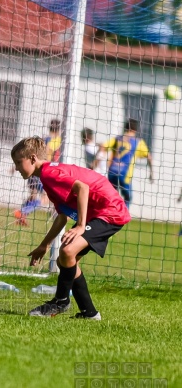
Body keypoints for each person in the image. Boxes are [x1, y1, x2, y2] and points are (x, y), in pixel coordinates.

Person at [11, 136, 130, 320]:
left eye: (19, 162)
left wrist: (81, 226)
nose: (17, 168)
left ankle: (60, 301)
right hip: (97, 212)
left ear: (33, 158)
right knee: (65, 260)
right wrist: (44, 245)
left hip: (109, 212)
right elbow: (62, 217)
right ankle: (89, 313)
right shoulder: (47, 176)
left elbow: (82, 188)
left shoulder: (49, 174)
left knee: (67, 252)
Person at [14, 118, 61, 226]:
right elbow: (50, 154)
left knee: (33, 195)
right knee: (45, 198)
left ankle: (22, 214)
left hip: (33, 170)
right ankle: (23, 211)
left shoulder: (43, 139)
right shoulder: (56, 141)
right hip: (42, 171)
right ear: (59, 129)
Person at [98, 118, 153, 208]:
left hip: (112, 171)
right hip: (125, 174)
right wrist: (151, 173)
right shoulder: (138, 142)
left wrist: (99, 162)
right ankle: (121, 218)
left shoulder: (117, 139)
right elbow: (149, 157)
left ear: (125, 127)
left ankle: (107, 215)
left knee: (110, 196)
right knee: (127, 197)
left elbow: (103, 146)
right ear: (135, 129)